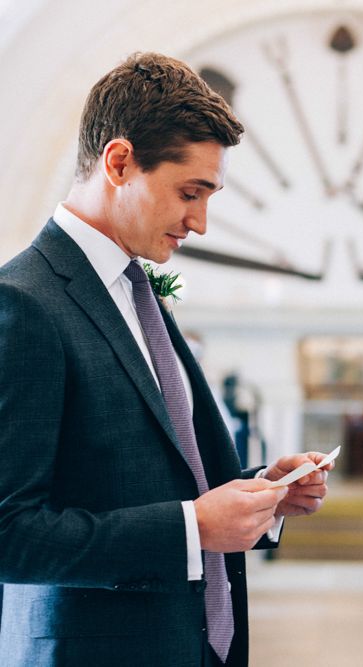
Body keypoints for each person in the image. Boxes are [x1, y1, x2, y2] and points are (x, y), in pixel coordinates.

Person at [0, 52, 334, 667]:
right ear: (120, 162)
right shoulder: (23, 304)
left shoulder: (136, 290)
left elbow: (155, 473)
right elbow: (9, 534)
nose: (201, 223)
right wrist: (193, 529)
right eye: (190, 192)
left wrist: (262, 494)